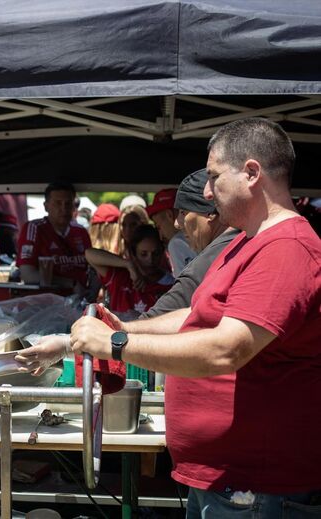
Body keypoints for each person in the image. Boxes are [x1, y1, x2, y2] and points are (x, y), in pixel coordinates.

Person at [70, 118, 321, 516]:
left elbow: (227, 349)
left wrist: (115, 344)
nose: (206, 191)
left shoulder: (286, 246)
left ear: (252, 173)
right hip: (229, 485)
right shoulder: (246, 241)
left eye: (214, 176)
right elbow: (196, 313)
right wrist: (116, 327)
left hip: (256, 489)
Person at [143, 169, 239, 318]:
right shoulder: (243, 240)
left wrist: (120, 331)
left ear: (210, 212)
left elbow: (180, 300)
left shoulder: (219, 251)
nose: (177, 223)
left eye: (183, 212)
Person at [16, 182, 91, 291]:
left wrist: (93, 290)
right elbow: (28, 275)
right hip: (48, 302)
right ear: (46, 206)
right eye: (58, 203)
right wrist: (70, 283)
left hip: (81, 301)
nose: (63, 208)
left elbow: (92, 270)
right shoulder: (34, 228)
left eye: (68, 203)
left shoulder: (81, 232)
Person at [86, 224, 173, 315]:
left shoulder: (171, 284)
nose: (150, 260)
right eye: (143, 254)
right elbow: (89, 254)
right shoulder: (120, 276)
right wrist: (128, 264)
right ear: (133, 254)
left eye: (156, 253)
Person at [145, 188, 196, 276]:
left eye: (159, 227)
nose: (160, 236)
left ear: (169, 215)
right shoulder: (207, 235)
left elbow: (184, 288)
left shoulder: (177, 243)